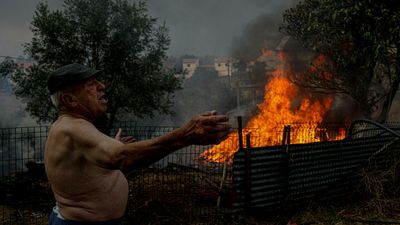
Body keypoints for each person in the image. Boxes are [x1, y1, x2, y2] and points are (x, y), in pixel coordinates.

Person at [44, 63, 230, 225]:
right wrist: (186, 134)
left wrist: (113, 149)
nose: (102, 86)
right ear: (69, 99)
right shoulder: (72, 127)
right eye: (91, 85)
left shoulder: (75, 127)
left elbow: (94, 169)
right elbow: (123, 157)